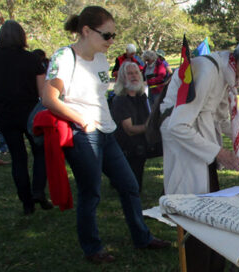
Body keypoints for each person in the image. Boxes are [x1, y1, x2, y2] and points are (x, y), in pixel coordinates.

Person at [42, 6, 169, 264]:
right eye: (107, 35)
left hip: (106, 131)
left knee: (129, 185)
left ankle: (142, 238)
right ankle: (92, 248)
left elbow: (100, 96)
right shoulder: (65, 57)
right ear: (86, 31)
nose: (112, 41)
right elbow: (48, 98)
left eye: (114, 35)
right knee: (92, 192)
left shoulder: (101, 58)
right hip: (82, 133)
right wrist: (82, 120)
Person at [160, 28, 239, 271]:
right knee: (195, 221)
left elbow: (220, 118)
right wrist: (218, 153)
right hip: (188, 152)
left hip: (202, 149)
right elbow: (177, 125)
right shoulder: (208, 70)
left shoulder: (225, 72)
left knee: (209, 215)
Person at [0, 22, 51, 215]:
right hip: (29, 112)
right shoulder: (32, 59)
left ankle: (26, 202)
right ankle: (38, 191)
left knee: (18, 158)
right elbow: (41, 92)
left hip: (5, 112)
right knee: (40, 152)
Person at [110, 62, 149, 192]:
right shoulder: (120, 99)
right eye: (130, 73)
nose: (134, 76)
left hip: (141, 144)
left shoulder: (141, 96)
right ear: (122, 77)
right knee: (132, 188)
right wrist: (151, 127)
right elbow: (129, 130)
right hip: (127, 147)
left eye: (136, 73)